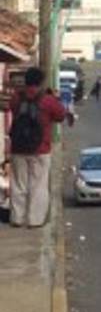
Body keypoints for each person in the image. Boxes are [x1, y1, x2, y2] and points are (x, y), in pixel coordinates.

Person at [9, 67, 66, 228]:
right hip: (40, 149)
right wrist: (55, 98)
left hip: (17, 148)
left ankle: (17, 218)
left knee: (19, 184)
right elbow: (60, 116)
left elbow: (12, 109)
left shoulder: (16, 98)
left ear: (25, 80)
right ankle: (34, 220)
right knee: (38, 185)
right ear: (40, 82)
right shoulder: (47, 100)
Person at [0, 160, 10, 224]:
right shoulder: (1, 179)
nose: (9, 170)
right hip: (3, 206)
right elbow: (7, 191)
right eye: (7, 168)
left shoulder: (16, 179)